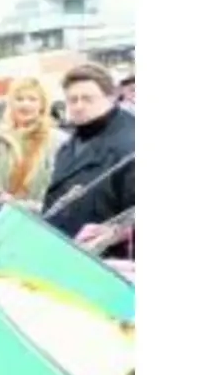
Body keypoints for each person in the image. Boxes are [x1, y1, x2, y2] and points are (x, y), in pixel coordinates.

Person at [43, 64, 136, 256]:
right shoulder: (69, 145)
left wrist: (114, 234)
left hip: (109, 263)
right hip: (65, 252)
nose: (78, 106)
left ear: (111, 97)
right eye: (72, 100)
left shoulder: (130, 143)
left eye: (87, 99)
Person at [0, 77, 67, 211]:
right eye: (19, 99)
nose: (25, 104)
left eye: (32, 99)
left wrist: (21, 205)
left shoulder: (59, 141)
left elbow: (62, 193)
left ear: (42, 105)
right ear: (11, 103)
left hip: (39, 221)